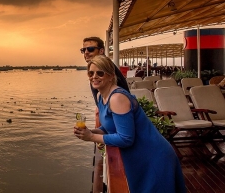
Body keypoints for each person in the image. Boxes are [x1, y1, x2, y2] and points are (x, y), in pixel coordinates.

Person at [74, 55, 186, 193]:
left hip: (153, 157)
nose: (94, 76)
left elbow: (126, 138)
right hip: (139, 158)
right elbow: (110, 127)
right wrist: (91, 131)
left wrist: (91, 137)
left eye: (100, 73)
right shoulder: (100, 96)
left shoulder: (117, 98)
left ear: (110, 76)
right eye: (91, 73)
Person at [81, 37, 129, 105]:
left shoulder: (106, 67)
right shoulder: (99, 67)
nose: (86, 52)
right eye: (83, 50)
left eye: (90, 49)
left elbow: (120, 102)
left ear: (101, 51)